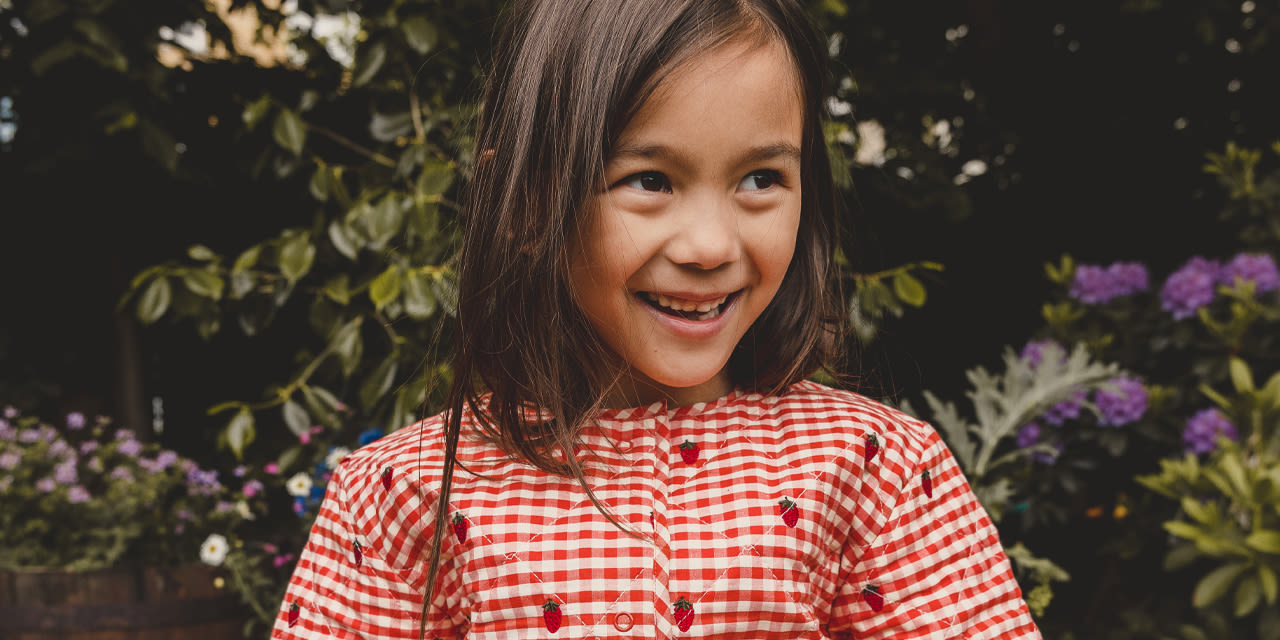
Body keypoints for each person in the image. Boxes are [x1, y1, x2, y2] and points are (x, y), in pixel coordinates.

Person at [272, 0, 1042, 638]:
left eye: (762, 178)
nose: (710, 245)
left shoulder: (878, 470)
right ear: (529, 201)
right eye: (648, 179)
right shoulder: (406, 496)